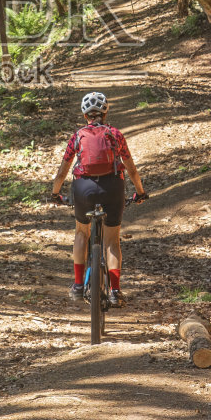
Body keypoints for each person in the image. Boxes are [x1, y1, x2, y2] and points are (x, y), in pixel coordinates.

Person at [46, 91, 148, 307]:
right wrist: (140, 192)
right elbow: (132, 170)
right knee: (112, 240)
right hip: (113, 187)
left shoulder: (77, 136)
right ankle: (115, 291)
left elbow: (62, 172)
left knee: (81, 232)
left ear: (85, 116)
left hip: (84, 189)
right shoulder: (115, 134)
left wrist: (55, 193)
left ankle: (77, 284)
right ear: (105, 112)